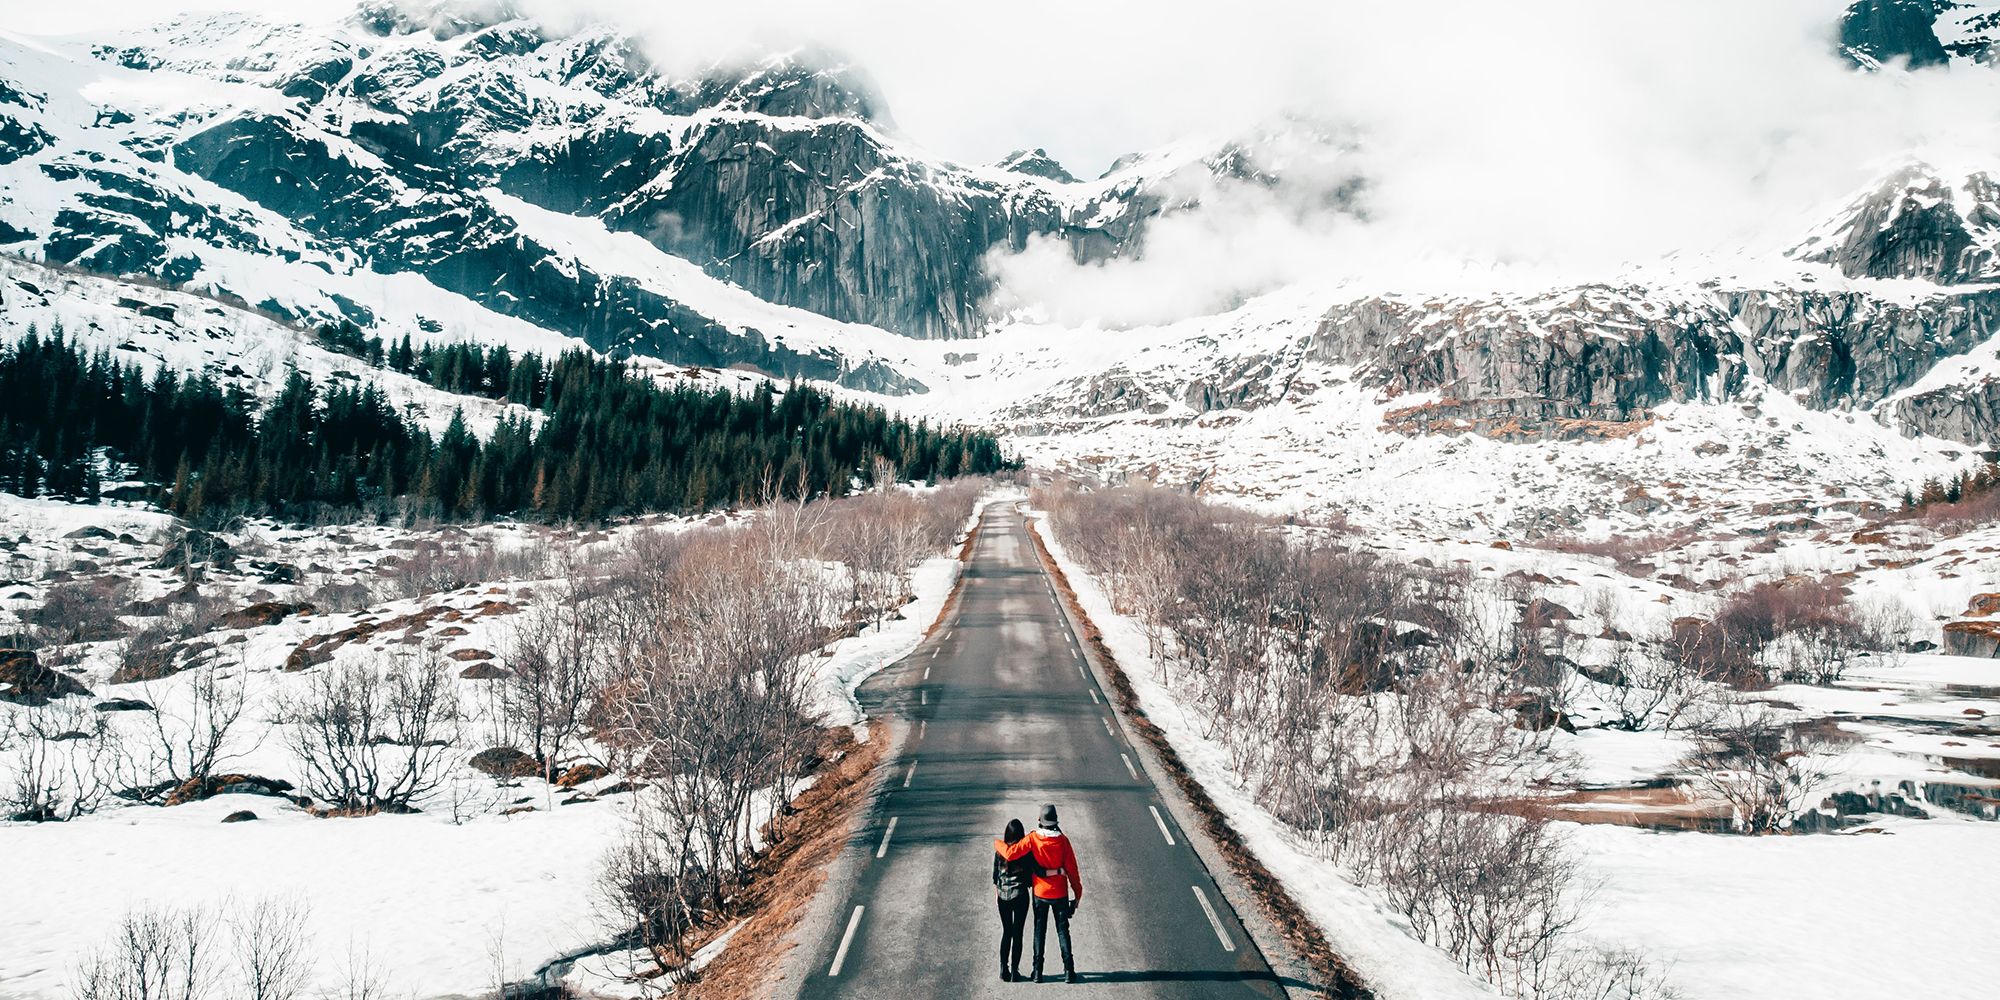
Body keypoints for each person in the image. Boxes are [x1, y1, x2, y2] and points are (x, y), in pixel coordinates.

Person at [997, 802, 1083, 983]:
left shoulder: (1033, 839)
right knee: (1062, 931)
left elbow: (1011, 853)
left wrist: (997, 843)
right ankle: (1069, 971)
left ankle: (1037, 972)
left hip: (1040, 893)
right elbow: (1072, 871)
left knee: (1039, 931)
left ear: (1040, 820)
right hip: (1059, 893)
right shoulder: (1064, 841)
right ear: (1055, 821)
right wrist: (1077, 894)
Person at [992, 818, 1035, 982]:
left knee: (1006, 932)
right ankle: (1015, 972)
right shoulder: (1025, 853)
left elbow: (995, 876)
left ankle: (1004, 968)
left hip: (1003, 896)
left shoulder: (999, 852)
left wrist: (998, 892)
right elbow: (1030, 879)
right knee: (1018, 933)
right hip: (1020, 896)